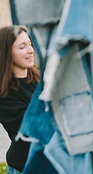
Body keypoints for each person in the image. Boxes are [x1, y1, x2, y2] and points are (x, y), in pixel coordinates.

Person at [0, 26, 39, 174]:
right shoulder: (4, 94)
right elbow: (33, 127)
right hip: (25, 168)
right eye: (22, 47)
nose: (31, 50)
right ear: (6, 53)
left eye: (30, 44)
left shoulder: (37, 80)